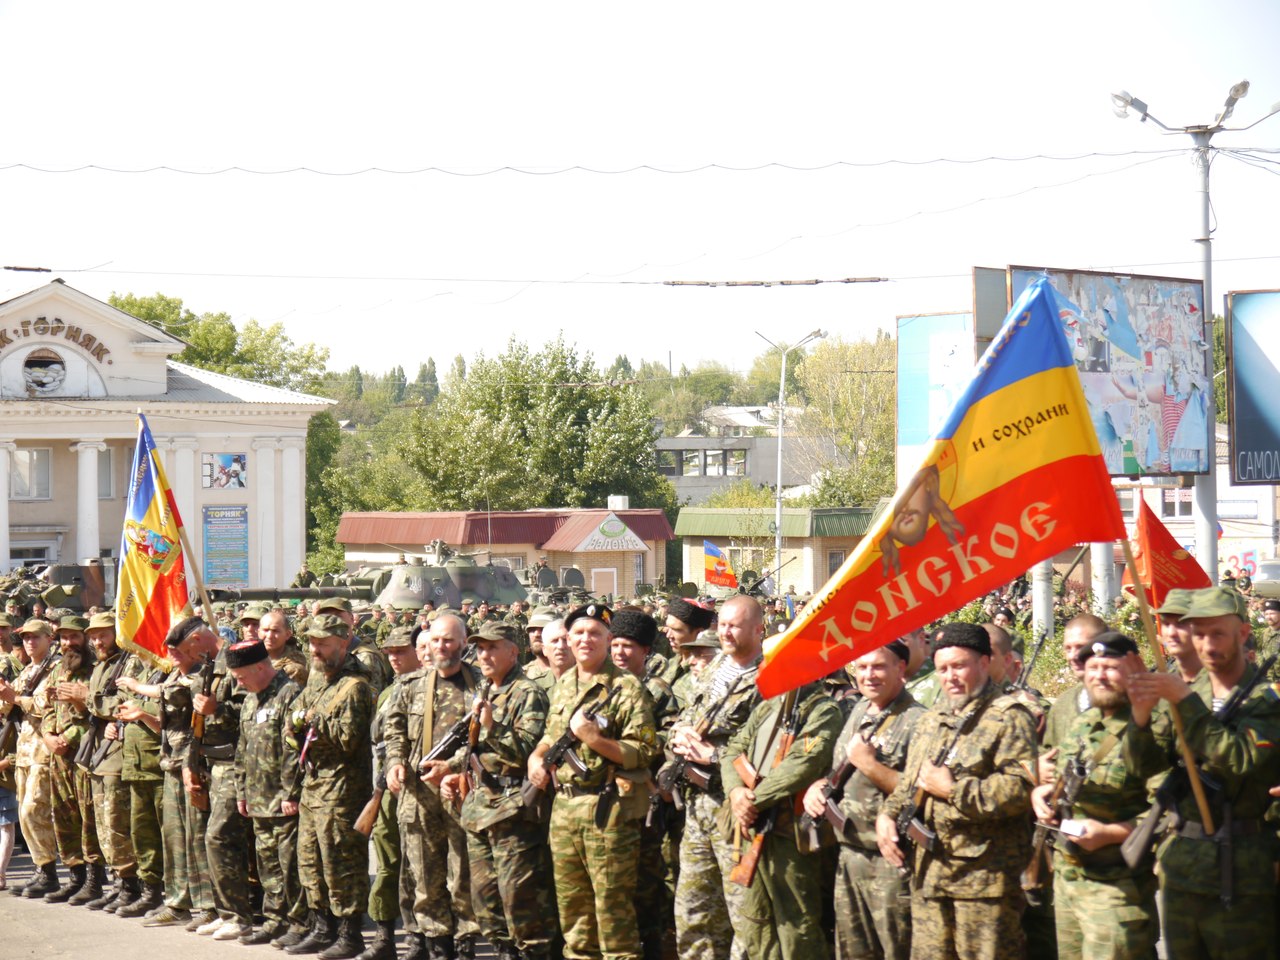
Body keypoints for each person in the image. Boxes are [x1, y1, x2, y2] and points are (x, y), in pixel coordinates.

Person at [1125, 586, 1280, 958]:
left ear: (1242, 634)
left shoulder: (1265, 700)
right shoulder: (1185, 690)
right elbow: (1142, 767)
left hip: (1242, 872)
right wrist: (1141, 716)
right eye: (1199, 634)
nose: (1207, 644)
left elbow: (1240, 757)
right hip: (1182, 868)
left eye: (1217, 633)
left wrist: (1184, 702)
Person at [877, 622, 1038, 960]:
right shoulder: (931, 719)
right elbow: (910, 783)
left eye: (959, 666)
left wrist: (954, 791)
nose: (949, 677)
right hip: (929, 879)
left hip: (984, 884)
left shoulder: (1010, 718)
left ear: (983, 663)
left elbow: (1020, 789)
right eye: (942, 669)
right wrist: (888, 817)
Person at [526, 603, 658, 960]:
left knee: (613, 913)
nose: (586, 639)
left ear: (608, 639)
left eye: (595, 633)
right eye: (579, 633)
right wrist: (535, 758)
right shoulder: (564, 684)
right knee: (574, 916)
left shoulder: (627, 688)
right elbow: (550, 737)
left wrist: (593, 738)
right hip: (565, 809)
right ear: (568, 639)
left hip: (608, 810)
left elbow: (645, 751)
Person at [1030, 631, 1160, 960]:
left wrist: (1112, 833)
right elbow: (1065, 781)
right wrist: (1042, 794)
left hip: (1117, 889)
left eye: (1110, 667)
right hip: (1069, 879)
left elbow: (1173, 809)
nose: (1099, 675)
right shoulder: (1084, 722)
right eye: (1092, 667)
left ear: (1133, 669)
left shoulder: (1154, 727)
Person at [802, 641, 924, 960]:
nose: (868, 675)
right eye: (862, 667)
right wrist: (818, 787)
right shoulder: (858, 710)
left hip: (893, 862)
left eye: (879, 667)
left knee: (898, 950)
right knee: (852, 952)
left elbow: (921, 791)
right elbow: (839, 771)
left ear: (900, 669)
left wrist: (870, 764)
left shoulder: (918, 720)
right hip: (849, 854)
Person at [441, 621, 555, 960]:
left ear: (513, 651)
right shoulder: (487, 690)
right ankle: (505, 951)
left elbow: (529, 750)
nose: (484, 654)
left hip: (512, 810)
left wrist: (492, 725)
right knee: (485, 900)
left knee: (519, 900)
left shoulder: (527, 692)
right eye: (480, 648)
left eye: (493, 647)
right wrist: (451, 769)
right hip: (480, 807)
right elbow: (476, 748)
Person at [665, 594, 765, 960]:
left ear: (758, 629)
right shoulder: (715, 669)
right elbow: (687, 715)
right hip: (696, 809)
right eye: (721, 624)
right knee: (693, 913)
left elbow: (768, 753)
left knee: (744, 917)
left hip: (735, 814)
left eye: (734, 625)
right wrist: (679, 736)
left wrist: (714, 756)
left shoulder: (769, 679)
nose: (725, 632)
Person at [720, 676, 842, 960]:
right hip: (754, 828)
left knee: (797, 927)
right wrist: (735, 792)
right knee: (756, 922)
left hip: (791, 838)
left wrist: (752, 801)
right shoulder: (768, 706)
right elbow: (733, 750)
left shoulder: (823, 710)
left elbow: (802, 765)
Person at [385, 611, 482, 959]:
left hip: (462, 791)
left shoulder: (481, 687)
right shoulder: (411, 686)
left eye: (449, 640)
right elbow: (394, 731)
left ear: (463, 644)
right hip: (419, 795)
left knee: (463, 875)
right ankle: (436, 944)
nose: (441, 647)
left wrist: (452, 766)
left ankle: (465, 942)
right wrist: (394, 763)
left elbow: (486, 741)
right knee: (424, 876)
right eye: (437, 640)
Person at [287, 613, 377, 959]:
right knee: (310, 860)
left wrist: (312, 720)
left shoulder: (354, 687)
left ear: (342, 644)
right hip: (313, 785)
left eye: (322, 644)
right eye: (311, 642)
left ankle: (349, 933)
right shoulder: (316, 679)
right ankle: (321, 926)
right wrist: (295, 726)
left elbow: (348, 739)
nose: (315, 649)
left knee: (342, 863)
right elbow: (292, 720)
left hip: (342, 789)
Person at [610, 608, 679, 960]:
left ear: (645, 651)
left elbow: (669, 737)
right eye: (616, 645)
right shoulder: (601, 683)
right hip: (607, 801)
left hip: (646, 798)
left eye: (629, 647)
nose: (620, 653)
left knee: (648, 883)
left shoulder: (657, 690)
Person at [229, 638, 306, 946]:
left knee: (290, 865)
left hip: (282, 799)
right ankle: (274, 918)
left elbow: (295, 751)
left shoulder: (290, 695)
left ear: (260, 667)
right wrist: (241, 790)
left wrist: (291, 793)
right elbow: (243, 748)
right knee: (267, 863)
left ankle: (299, 922)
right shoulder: (250, 699)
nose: (239, 682)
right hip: (258, 798)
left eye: (241, 676)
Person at [360, 625, 421, 960]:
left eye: (401, 651)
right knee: (386, 860)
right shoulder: (386, 693)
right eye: (391, 652)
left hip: (416, 787)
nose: (395, 658)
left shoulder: (429, 690)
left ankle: (417, 937)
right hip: (383, 788)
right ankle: (384, 936)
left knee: (418, 867)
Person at [43, 614, 105, 904]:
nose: (69, 643)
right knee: (64, 817)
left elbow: (97, 716)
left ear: (85, 639)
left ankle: (94, 878)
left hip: (83, 754)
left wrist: (70, 737)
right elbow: (46, 710)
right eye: (64, 637)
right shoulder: (57, 670)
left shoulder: (95, 672)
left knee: (87, 818)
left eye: (75, 637)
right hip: (57, 756)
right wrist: (48, 735)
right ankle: (75, 875)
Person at [82, 612, 141, 912]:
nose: (97, 640)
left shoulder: (128, 662)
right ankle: (119, 880)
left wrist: (91, 701)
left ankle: (131, 883)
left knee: (117, 821)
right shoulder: (100, 667)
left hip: (118, 754)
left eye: (103, 634)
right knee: (103, 823)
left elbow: (124, 703)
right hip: (100, 753)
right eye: (93, 636)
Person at [0, 618, 60, 898]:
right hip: (23, 751)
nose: (30, 642)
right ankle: (42, 870)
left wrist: (16, 699)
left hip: (42, 750)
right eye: (25, 638)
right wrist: (5, 698)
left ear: (49, 639)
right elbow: (8, 705)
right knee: (26, 815)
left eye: (36, 637)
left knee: (32, 811)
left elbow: (44, 705)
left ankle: (49, 871)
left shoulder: (55, 669)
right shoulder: (27, 671)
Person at [1040, 613, 1108, 784]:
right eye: (1068, 648)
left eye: (1080, 647)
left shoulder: (1130, 701)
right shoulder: (1063, 703)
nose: (1072, 656)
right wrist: (1039, 767)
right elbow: (1048, 752)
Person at [1154, 589, 1205, 681]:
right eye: (1166, 624)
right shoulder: (1164, 675)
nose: (1171, 633)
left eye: (1181, 623)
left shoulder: (1220, 680)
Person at [262, 607, 311, 685]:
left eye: (275, 631)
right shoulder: (256, 659)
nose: (269, 635)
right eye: (265, 630)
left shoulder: (294, 667)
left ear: (287, 634)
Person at [532, 617, 574, 695]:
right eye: (554, 641)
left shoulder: (590, 682)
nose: (561, 646)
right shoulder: (535, 687)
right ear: (544, 649)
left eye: (565, 640)